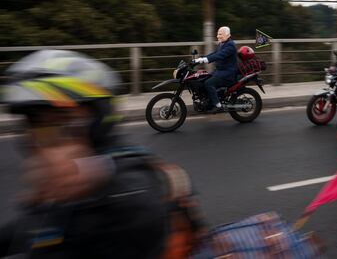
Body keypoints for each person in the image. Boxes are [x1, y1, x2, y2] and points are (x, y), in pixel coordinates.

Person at [0, 50, 204, 258]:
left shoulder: (130, 190)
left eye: (62, 123)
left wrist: (92, 178)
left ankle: (213, 102)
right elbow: (28, 231)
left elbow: (131, 207)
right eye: (36, 125)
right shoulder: (61, 188)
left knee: (210, 83)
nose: (43, 140)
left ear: (96, 123)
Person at [194, 26, 238, 113]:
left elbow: (219, 55)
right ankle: (209, 101)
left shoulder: (230, 45)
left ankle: (218, 105)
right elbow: (214, 54)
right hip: (219, 71)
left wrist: (204, 60)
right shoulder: (222, 43)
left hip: (227, 73)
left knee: (209, 83)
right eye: (217, 34)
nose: (217, 36)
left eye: (220, 34)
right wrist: (200, 59)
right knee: (203, 79)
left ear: (227, 35)